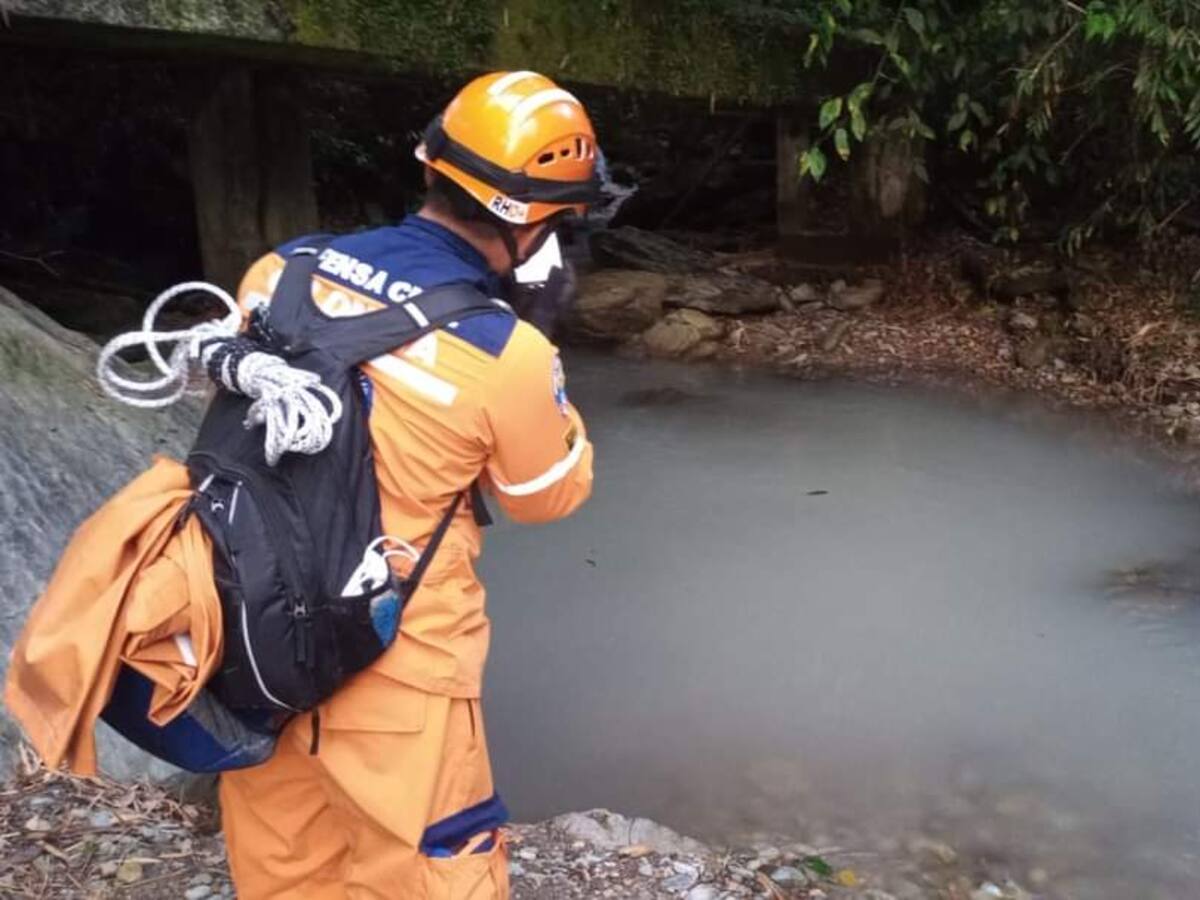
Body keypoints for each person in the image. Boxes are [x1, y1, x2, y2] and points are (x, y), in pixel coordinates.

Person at [218, 70, 600, 899]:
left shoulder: (279, 271)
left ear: (431, 164)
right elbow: (547, 496)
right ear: (534, 223)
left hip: (253, 638)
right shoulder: (505, 353)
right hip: (400, 665)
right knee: (434, 868)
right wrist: (540, 343)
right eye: (565, 219)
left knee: (283, 859)